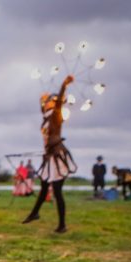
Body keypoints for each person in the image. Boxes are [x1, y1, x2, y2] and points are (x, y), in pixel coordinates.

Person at [23, 75, 77, 233]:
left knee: (57, 192)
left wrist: (64, 85)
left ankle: (62, 225)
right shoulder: (45, 119)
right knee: (44, 187)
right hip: (49, 158)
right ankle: (34, 213)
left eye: (48, 101)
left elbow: (60, 101)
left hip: (57, 158)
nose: (46, 103)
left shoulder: (55, 116)